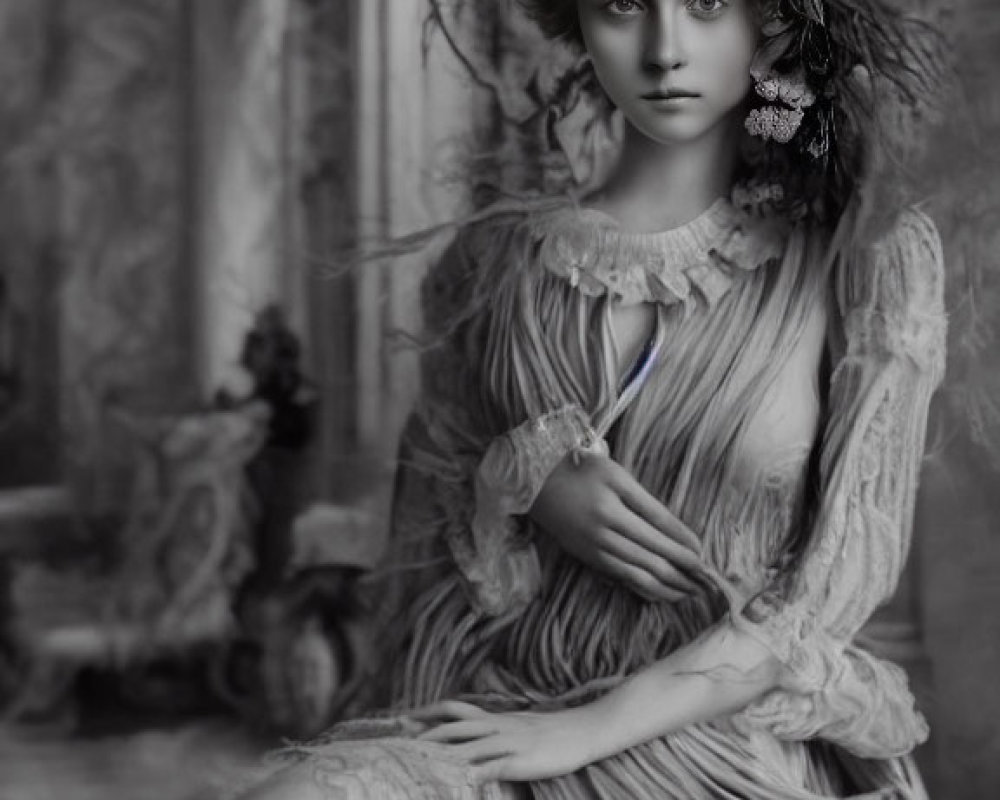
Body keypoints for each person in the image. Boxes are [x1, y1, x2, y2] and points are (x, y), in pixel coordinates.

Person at [237, 0, 946, 797]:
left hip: (720, 732)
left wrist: (579, 733)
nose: (665, 50)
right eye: (622, 5)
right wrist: (512, 482)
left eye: (709, 5)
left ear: (771, 20)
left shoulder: (862, 259)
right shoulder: (489, 260)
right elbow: (420, 552)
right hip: (500, 699)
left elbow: (830, 594)